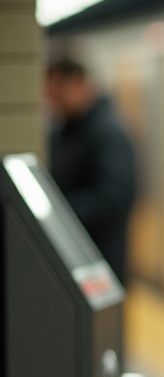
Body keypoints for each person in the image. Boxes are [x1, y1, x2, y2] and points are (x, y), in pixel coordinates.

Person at [46, 55, 136, 285]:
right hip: (80, 255)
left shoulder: (107, 134)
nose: (53, 101)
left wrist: (59, 213)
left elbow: (112, 197)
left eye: (57, 92)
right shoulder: (66, 133)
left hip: (102, 259)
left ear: (77, 83)